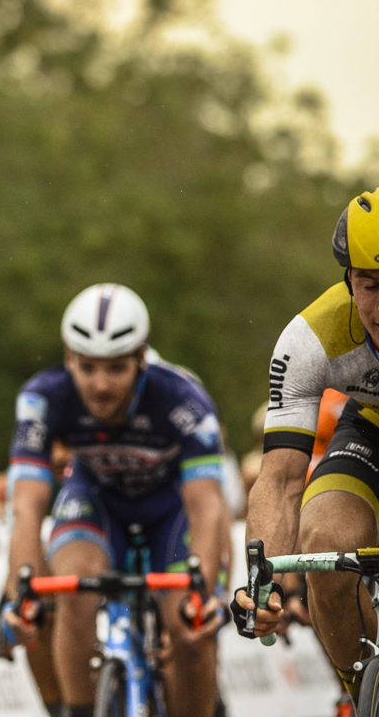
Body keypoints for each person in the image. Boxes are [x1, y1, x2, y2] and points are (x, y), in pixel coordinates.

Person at [1, 283, 227, 717]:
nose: (100, 385)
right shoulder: (43, 397)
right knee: (71, 592)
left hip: (171, 511)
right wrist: (22, 591)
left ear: (142, 358)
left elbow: (207, 507)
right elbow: (26, 507)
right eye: (86, 368)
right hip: (97, 499)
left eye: (117, 369)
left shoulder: (183, 400)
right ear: (68, 358)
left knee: (190, 631)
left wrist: (203, 590)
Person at [234, 189, 379, 709]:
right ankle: (364, 693)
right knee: (325, 540)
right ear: (349, 280)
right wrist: (262, 582)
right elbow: (280, 480)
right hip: (370, 433)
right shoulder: (310, 340)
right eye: (372, 285)